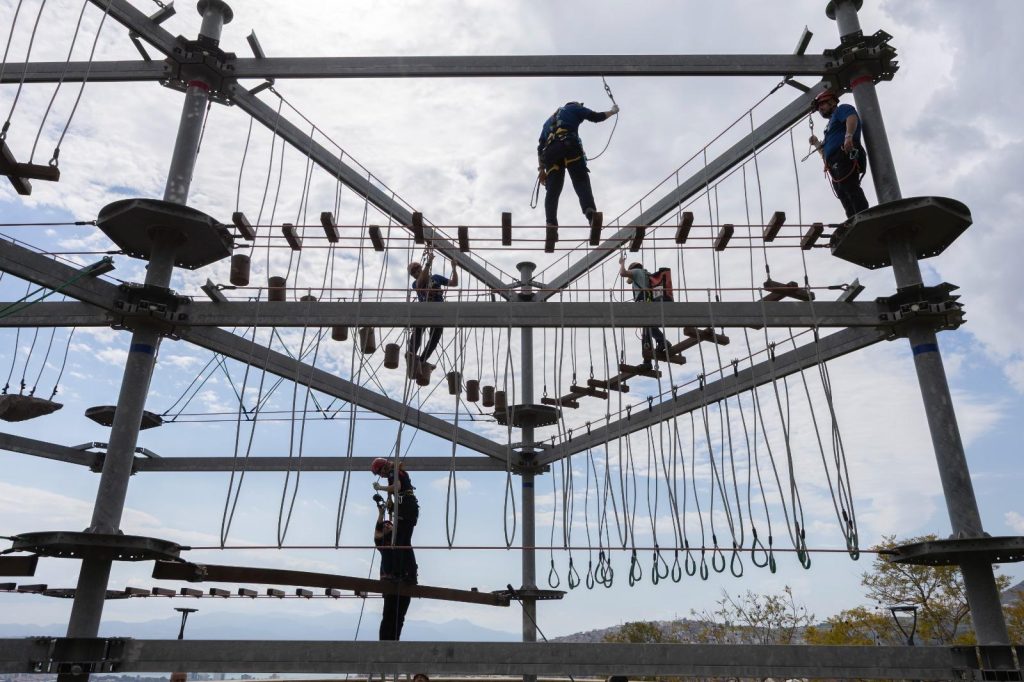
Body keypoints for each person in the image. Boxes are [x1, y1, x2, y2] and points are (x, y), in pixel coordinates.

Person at [537, 100, 619, 227]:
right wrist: (613, 112)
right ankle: (590, 214)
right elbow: (595, 117)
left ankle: (550, 223)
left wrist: (541, 170)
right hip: (569, 145)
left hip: (551, 154)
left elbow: (540, 148)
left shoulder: (547, 122)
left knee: (553, 190)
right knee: (580, 180)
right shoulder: (575, 108)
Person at [808, 90, 869, 219]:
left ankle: (863, 215)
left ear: (831, 102)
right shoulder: (830, 127)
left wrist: (848, 137)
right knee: (842, 193)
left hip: (844, 154)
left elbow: (852, 117)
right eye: (818, 107)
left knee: (849, 187)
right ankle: (853, 219)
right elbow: (826, 153)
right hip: (834, 162)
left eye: (822, 105)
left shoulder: (841, 109)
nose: (820, 109)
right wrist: (817, 145)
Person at [407, 248, 458, 370]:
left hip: (438, 311)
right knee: (417, 334)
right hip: (424, 310)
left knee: (434, 339)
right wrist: (428, 262)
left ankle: (422, 361)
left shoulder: (436, 277)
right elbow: (421, 283)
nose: (416, 273)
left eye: (416, 269)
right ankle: (411, 354)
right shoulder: (416, 283)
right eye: (413, 272)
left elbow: (454, 283)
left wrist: (454, 268)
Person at [371, 457, 418, 584]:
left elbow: (396, 487)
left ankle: (398, 574)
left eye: (380, 472)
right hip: (409, 508)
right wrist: (390, 501)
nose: (381, 475)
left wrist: (380, 487)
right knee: (405, 542)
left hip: (406, 508)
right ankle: (410, 574)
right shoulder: (396, 472)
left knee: (398, 542)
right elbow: (395, 489)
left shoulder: (393, 472)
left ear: (384, 467)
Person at [373, 493, 412, 641]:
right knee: (389, 615)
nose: (388, 525)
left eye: (390, 524)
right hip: (390, 581)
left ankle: (394, 641)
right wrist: (381, 513)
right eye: (386, 525)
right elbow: (378, 529)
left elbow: (400, 525)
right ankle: (385, 643)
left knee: (399, 617)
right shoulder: (382, 543)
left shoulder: (398, 540)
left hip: (403, 579)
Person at [619, 255, 667, 371]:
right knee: (648, 328)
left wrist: (622, 263)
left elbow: (623, 273)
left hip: (642, 300)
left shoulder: (636, 271)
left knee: (646, 329)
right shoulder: (646, 274)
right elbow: (628, 281)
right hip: (649, 300)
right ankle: (660, 345)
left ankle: (653, 353)